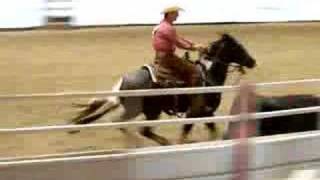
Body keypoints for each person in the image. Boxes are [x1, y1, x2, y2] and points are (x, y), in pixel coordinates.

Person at [152, 6, 206, 87]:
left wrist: (194, 44)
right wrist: (195, 48)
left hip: (159, 56)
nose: (178, 15)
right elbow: (179, 43)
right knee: (194, 71)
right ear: (170, 14)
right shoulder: (168, 28)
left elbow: (179, 38)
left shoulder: (161, 26)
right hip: (168, 58)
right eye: (176, 13)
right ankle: (193, 96)